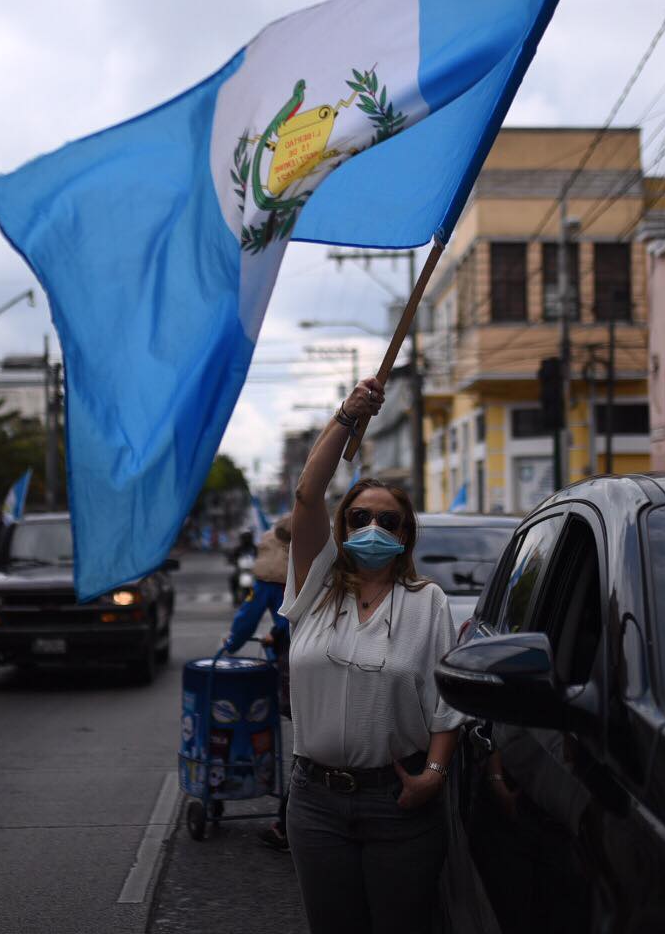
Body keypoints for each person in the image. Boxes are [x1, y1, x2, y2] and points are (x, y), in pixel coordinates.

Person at [279, 377, 463, 933]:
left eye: (389, 520)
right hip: (315, 803)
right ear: (343, 527)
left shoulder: (427, 602)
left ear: (406, 536)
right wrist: (346, 416)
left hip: (398, 806)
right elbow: (308, 495)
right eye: (361, 518)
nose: (374, 527)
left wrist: (434, 774)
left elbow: (445, 706)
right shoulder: (314, 589)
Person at [222, 514, 294, 852]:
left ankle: (288, 822)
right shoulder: (330, 566)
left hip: (295, 664)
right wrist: (277, 632)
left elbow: (247, 617)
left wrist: (231, 645)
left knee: (306, 746)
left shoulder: (270, 577)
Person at [227, 528, 258, 604]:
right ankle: (235, 597)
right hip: (241, 570)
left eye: (248, 537)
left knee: (262, 581)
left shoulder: (255, 548)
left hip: (253, 570)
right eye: (245, 537)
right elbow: (231, 557)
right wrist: (232, 561)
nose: (246, 539)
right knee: (232, 579)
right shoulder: (238, 549)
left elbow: (261, 556)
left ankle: (260, 598)